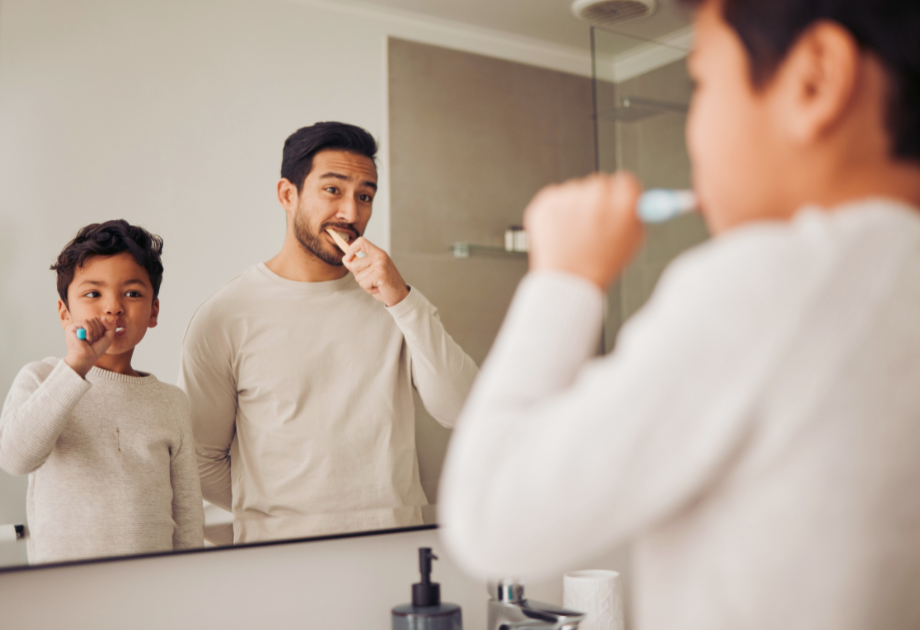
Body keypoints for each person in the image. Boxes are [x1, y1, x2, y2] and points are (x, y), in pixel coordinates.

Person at [440, 0, 920, 628]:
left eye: (701, 83)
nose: (692, 129)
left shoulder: (765, 283)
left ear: (815, 80)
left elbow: (489, 516)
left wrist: (564, 280)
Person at [179, 122, 478, 543]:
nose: (352, 214)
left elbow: (463, 409)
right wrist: (289, 515)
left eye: (365, 196)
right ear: (288, 194)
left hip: (393, 551)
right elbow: (200, 459)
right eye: (333, 190)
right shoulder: (225, 315)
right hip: (281, 562)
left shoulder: (395, 300)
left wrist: (402, 301)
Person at [0, 221, 204, 564]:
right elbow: (15, 458)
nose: (113, 307)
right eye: (93, 293)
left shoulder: (171, 403)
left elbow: (187, 520)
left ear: (153, 311)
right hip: (66, 598)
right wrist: (76, 365)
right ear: (65, 313)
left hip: (155, 597)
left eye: (133, 293)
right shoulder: (42, 379)